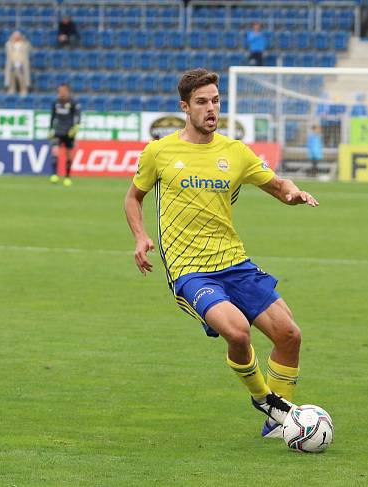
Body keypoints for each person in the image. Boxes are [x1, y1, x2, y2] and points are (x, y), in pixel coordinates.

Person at [123, 68, 319, 438]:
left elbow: (278, 184)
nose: (211, 108)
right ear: (185, 107)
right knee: (238, 332)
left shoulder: (235, 152)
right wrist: (140, 236)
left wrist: (292, 193)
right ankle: (267, 401)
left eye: (215, 100)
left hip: (235, 263)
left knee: (290, 335)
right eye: (201, 102)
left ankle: (277, 423)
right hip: (190, 270)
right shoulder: (160, 152)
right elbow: (134, 198)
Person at [48, 83, 81, 186]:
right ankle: (54, 175)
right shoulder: (56, 102)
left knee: (69, 156)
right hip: (58, 131)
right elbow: (52, 116)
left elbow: (78, 116)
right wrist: (50, 129)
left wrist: (75, 128)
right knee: (55, 152)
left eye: (62, 90)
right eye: (59, 91)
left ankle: (67, 177)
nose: (60, 93)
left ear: (67, 91)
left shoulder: (73, 103)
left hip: (69, 132)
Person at [5, 30, 31, 96]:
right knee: (12, 77)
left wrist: (23, 40)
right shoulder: (9, 44)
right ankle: (12, 89)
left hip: (21, 63)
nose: (16, 36)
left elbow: (28, 48)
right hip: (12, 63)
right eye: (15, 35)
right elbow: (8, 49)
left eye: (18, 35)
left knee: (22, 77)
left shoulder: (25, 44)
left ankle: (23, 89)